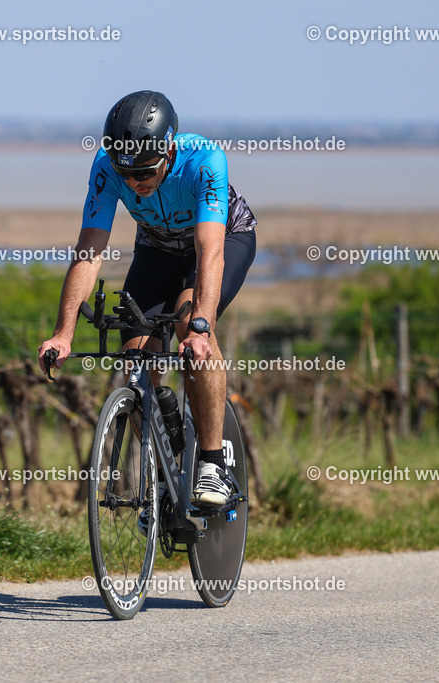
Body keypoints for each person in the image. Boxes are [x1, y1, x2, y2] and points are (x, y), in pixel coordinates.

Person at [38, 90, 256, 507]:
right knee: (136, 357)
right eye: (126, 173)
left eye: (145, 172)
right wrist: (63, 333)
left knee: (186, 324)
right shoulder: (107, 168)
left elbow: (210, 252)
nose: (135, 183)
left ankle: (212, 465)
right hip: (157, 248)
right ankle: (160, 477)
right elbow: (89, 252)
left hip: (219, 241)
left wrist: (201, 328)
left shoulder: (204, 159)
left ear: (169, 149)